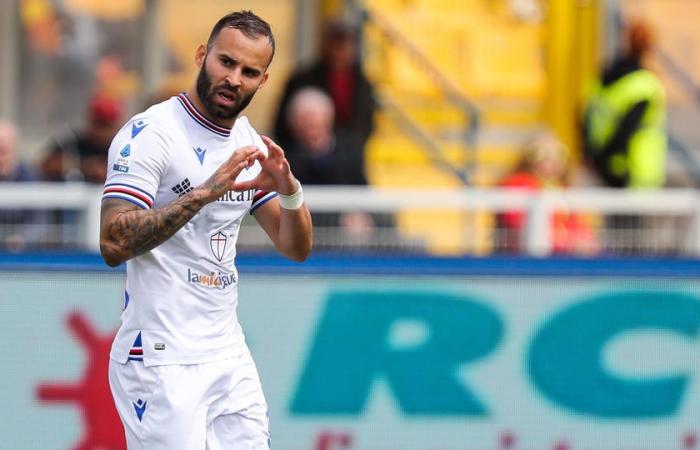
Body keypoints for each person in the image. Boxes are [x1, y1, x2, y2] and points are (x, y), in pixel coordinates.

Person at [99, 11, 312, 450]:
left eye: (249, 72)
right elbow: (113, 241)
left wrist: (289, 191)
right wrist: (204, 193)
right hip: (160, 359)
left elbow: (295, 247)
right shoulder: (150, 134)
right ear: (202, 56)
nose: (235, 78)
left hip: (228, 355)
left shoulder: (246, 142)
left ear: (264, 81)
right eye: (226, 63)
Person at [581, 19, 667, 189]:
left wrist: (592, 156)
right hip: (633, 168)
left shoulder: (605, 75)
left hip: (601, 165)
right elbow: (627, 128)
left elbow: (584, 115)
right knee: (629, 214)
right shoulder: (645, 84)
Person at [272, 19, 376, 157]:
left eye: (345, 45)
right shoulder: (302, 79)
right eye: (336, 44)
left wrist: (338, 146)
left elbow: (365, 125)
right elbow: (282, 125)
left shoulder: (363, 84)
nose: (340, 52)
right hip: (301, 158)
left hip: (347, 160)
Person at [497, 132, 598, 255]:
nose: (551, 161)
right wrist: (564, 240)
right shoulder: (516, 186)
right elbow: (517, 225)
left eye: (559, 154)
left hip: (563, 258)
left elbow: (581, 229)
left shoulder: (565, 190)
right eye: (541, 154)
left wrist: (582, 240)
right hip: (523, 258)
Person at [40, 93, 124, 183]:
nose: (101, 131)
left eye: (106, 126)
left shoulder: (120, 148)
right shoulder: (73, 143)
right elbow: (47, 164)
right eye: (98, 124)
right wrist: (84, 166)